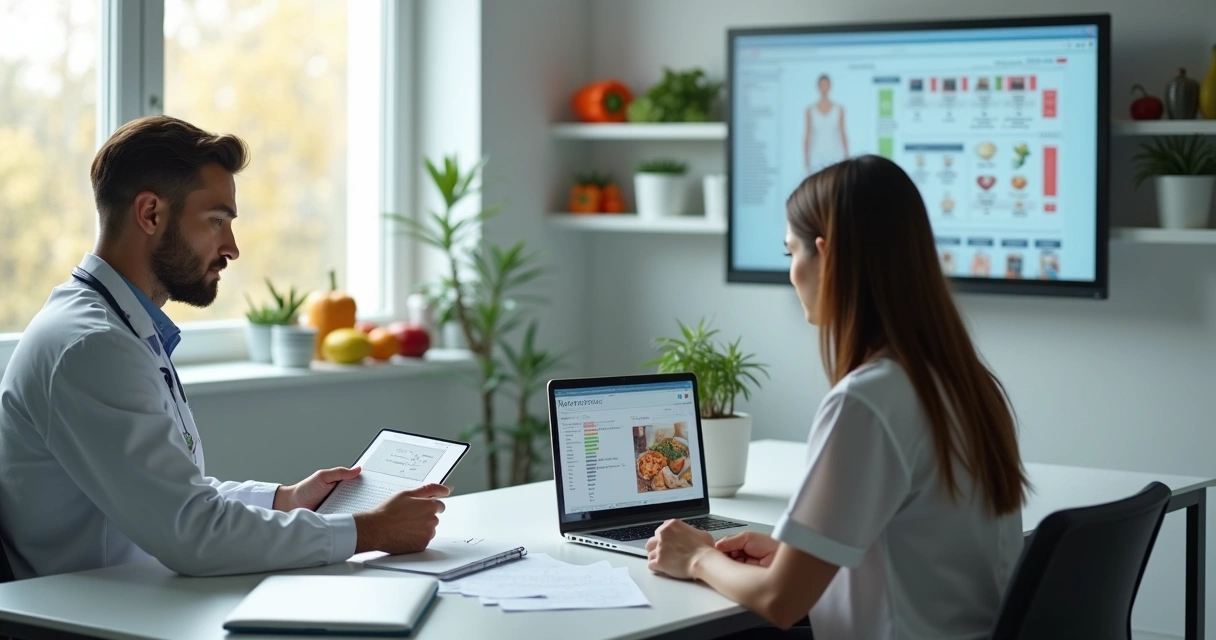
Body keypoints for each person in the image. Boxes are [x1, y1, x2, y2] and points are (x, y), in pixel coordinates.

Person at [0, 115, 448, 579]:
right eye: (216, 221)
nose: (231, 247)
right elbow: (193, 534)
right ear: (150, 213)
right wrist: (368, 531)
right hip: (87, 620)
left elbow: (173, 497)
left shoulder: (119, 330)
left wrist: (285, 499)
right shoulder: (92, 347)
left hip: (132, 600)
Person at [646, 155, 1029, 639]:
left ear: (826, 257)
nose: (791, 273)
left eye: (791, 254)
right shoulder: (969, 384)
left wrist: (697, 557)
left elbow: (780, 601)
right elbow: (919, 550)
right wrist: (796, 554)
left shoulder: (868, 400)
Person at [803, 74, 849, 175]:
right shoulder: (810, 110)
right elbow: (807, 135)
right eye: (822, 85)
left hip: (835, 155)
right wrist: (806, 159)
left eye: (826, 85)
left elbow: (843, 134)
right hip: (816, 156)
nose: (824, 88)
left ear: (830, 87)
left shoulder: (838, 109)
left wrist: (846, 156)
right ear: (818, 87)